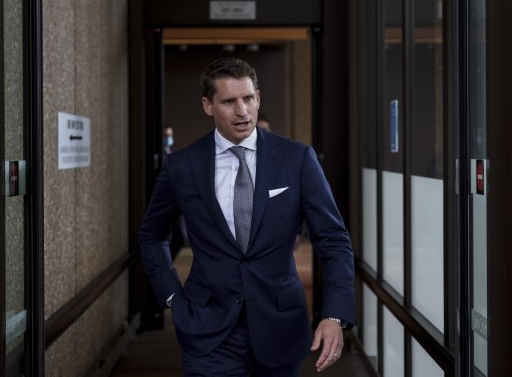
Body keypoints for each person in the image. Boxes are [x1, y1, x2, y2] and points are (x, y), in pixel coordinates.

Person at [138, 57, 354, 376]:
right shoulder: (182, 166)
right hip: (207, 330)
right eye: (229, 101)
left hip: (281, 326)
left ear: (258, 98)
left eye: (248, 98)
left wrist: (334, 314)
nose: (242, 111)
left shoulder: (297, 159)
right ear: (207, 105)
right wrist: (172, 297)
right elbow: (151, 235)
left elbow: (333, 240)